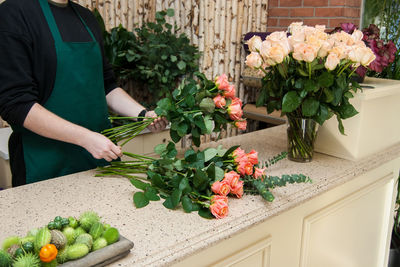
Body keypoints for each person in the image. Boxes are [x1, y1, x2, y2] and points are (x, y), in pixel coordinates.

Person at [0, 0, 168, 186]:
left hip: (98, 159)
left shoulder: (86, 18)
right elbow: (16, 104)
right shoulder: (15, 13)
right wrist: (86, 138)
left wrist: (144, 115)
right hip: (44, 165)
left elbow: (107, 87)